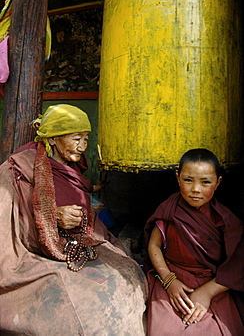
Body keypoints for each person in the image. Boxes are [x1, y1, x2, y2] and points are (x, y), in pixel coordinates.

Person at [0, 104, 148, 335]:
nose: (83, 146)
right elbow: (12, 216)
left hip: (77, 243)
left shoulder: (71, 166)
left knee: (124, 275)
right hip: (35, 250)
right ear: (53, 139)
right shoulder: (21, 167)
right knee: (80, 300)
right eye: (76, 138)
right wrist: (52, 217)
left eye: (86, 138)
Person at [144, 148, 244, 336]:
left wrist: (207, 293)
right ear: (178, 178)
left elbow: (237, 266)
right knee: (165, 329)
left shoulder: (226, 221)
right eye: (188, 180)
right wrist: (168, 280)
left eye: (205, 182)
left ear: (218, 183)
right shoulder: (169, 209)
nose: (195, 189)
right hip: (173, 279)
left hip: (214, 283)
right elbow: (154, 245)